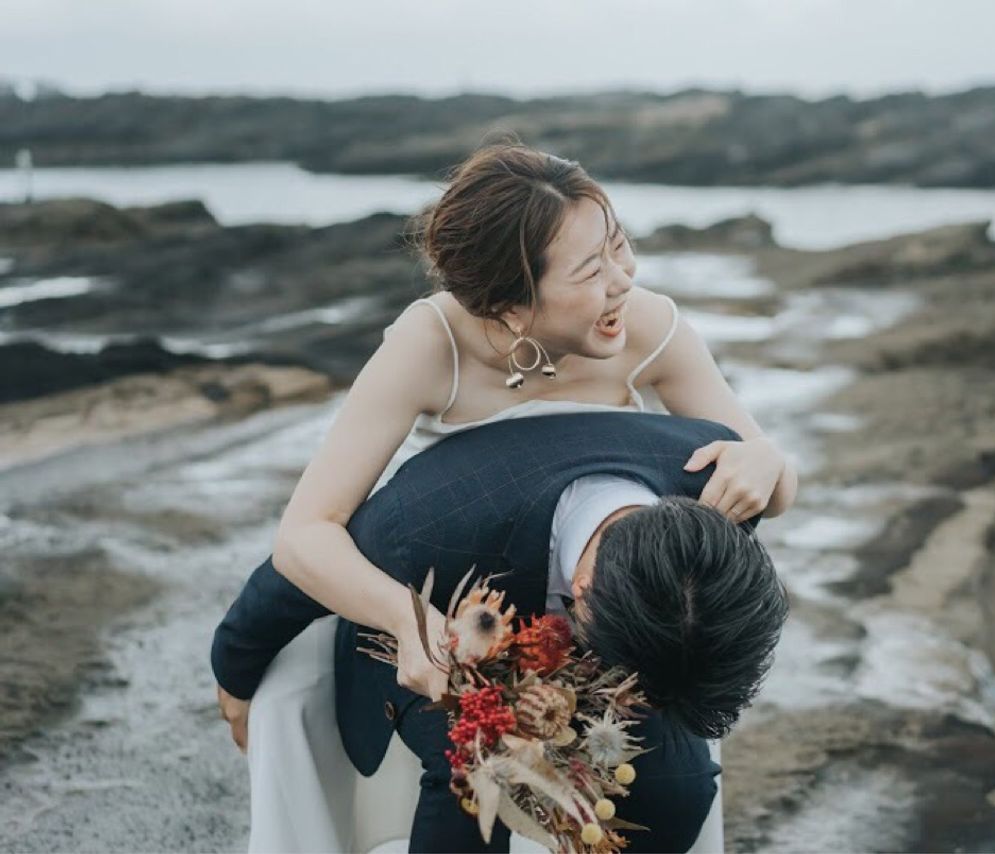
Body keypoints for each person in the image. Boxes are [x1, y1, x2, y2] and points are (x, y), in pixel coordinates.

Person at [210, 141, 798, 851]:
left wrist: (766, 458)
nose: (624, 280)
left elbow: (766, 486)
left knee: (676, 779)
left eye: (620, 246)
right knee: (470, 780)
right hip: (457, 583)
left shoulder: (647, 325)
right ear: (513, 308)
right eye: (592, 270)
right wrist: (408, 623)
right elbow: (310, 532)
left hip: (614, 591)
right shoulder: (431, 345)